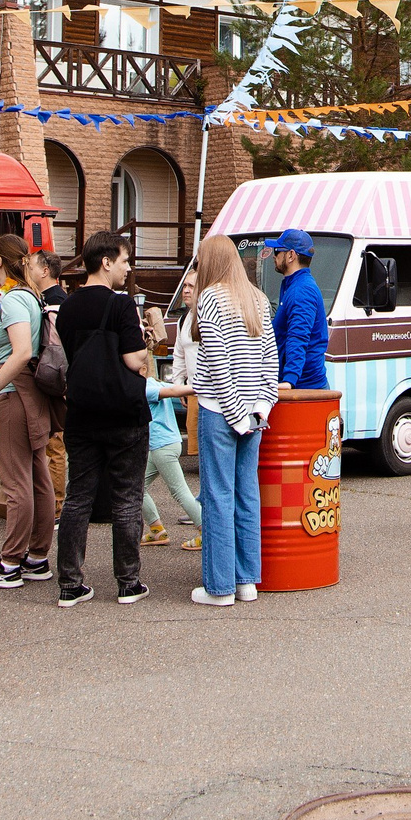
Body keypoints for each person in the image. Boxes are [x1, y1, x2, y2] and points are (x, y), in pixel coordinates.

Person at [53, 231, 156, 606]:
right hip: (123, 412)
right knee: (127, 497)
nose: (128, 268)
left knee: (78, 497)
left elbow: (67, 353)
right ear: (106, 261)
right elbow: (133, 360)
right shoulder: (123, 305)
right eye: (125, 261)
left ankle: (70, 583)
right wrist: (145, 341)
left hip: (81, 412)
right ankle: (128, 582)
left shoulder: (68, 305)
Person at [187, 234, 280, 606]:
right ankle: (246, 582)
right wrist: (261, 406)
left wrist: (234, 412)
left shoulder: (209, 299)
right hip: (256, 412)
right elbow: (271, 358)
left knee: (218, 495)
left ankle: (219, 587)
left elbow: (217, 360)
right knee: (247, 494)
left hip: (218, 409)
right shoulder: (258, 299)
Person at [0, 238, 62, 590]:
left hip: (12, 395)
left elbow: (20, 352)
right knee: (36, 476)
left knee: (16, 481)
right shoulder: (31, 296)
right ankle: (36, 557)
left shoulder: (12, 299)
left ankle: (10, 563)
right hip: (30, 395)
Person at [138, 373, 204, 550]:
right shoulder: (154, 382)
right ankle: (156, 529)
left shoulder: (144, 388)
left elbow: (174, 390)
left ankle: (206, 531)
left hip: (161, 445)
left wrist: (203, 386)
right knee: (137, 487)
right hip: (166, 443)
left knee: (179, 491)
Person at [268, 229, 329, 392]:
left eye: (277, 251)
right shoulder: (293, 286)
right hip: (303, 385)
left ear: (290, 255)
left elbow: (298, 336)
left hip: (304, 389)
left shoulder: (301, 291)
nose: (274, 256)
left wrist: (289, 380)